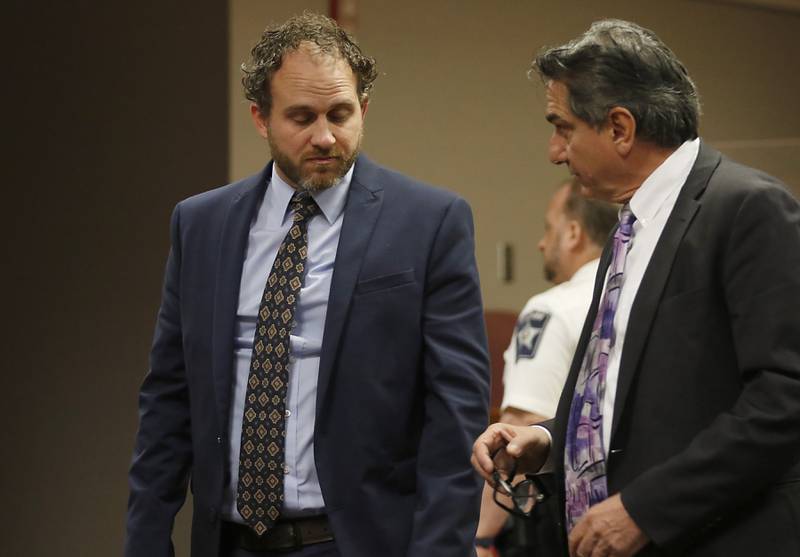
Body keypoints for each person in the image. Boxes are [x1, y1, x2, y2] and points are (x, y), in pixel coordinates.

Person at [125, 13, 490, 557]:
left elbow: (456, 410)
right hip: (230, 541)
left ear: (362, 110)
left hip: (357, 542)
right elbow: (169, 398)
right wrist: (146, 542)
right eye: (301, 117)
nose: (324, 136)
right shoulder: (201, 225)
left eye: (340, 114)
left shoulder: (430, 222)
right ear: (260, 118)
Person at [472, 19, 800, 557]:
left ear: (620, 128)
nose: (554, 151)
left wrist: (647, 508)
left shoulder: (747, 208)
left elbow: (784, 396)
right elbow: (634, 399)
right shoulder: (631, 224)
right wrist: (550, 440)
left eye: (562, 127)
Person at [475, 180, 617, 557]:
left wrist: (483, 538)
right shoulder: (629, 297)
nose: (541, 242)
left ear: (573, 233)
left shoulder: (551, 309)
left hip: (559, 522)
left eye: (548, 228)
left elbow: (521, 426)